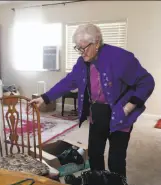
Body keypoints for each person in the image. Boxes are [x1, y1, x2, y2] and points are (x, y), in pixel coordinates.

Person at [30, 24, 155, 177]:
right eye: (78, 48)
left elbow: (147, 82)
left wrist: (128, 107)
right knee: (95, 154)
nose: (81, 53)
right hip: (97, 113)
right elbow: (69, 81)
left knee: (116, 160)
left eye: (84, 48)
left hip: (121, 113)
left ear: (96, 42)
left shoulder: (120, 57)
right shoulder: (82, 62)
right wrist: (45, 97)